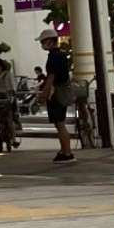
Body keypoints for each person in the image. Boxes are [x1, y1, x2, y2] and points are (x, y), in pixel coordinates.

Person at [37, 33, 76, 163]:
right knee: (61, 123)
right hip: (62, 92)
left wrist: (45, 94)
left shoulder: (54, 56)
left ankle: (67, 152)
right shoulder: (62, 55)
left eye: (43, 41)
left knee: (59, 124)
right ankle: (64, 150)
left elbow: (51, 77)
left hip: (56, 93)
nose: (41, 44)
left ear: (50, 40)